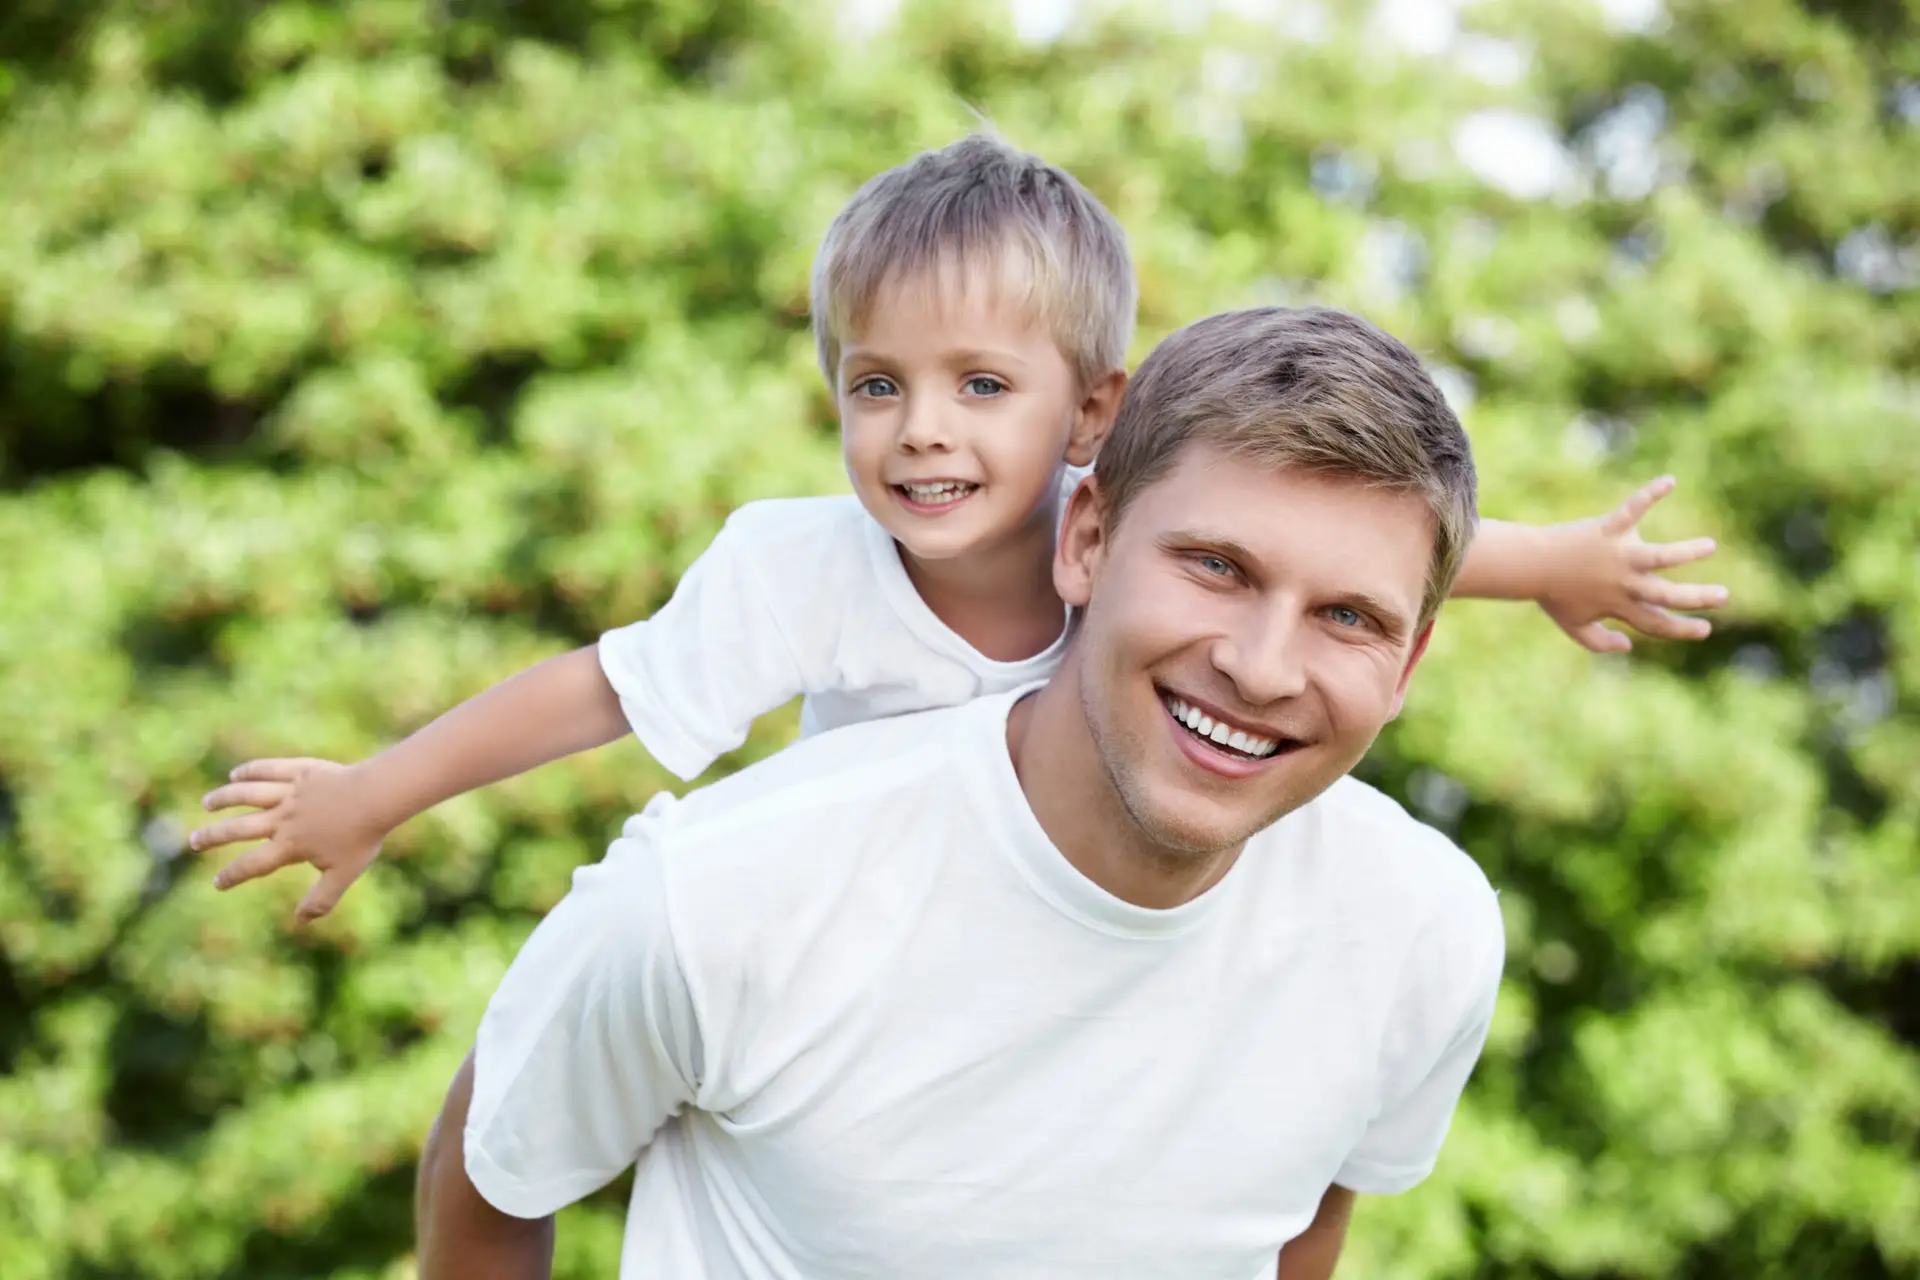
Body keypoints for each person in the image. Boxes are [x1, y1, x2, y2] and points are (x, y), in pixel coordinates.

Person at [187, 133, 1725, 928]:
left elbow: (1357, 549)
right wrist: (378, 793)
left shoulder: (1128, 543)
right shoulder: (799, 565)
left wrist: (1562, 566)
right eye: (877, 385)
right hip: (870, 910)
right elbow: (600, 691)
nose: (921, 427)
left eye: (981, 385)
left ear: (1090, 419)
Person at [417, 304, 1511, 1278]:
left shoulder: (1424, 929)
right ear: (1086, 541)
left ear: (1407, 666)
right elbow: (491, 1172)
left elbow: (1298, 1230)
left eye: (1349, 618)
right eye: (1217, 566)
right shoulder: (711, 896)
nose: (1264, 667)